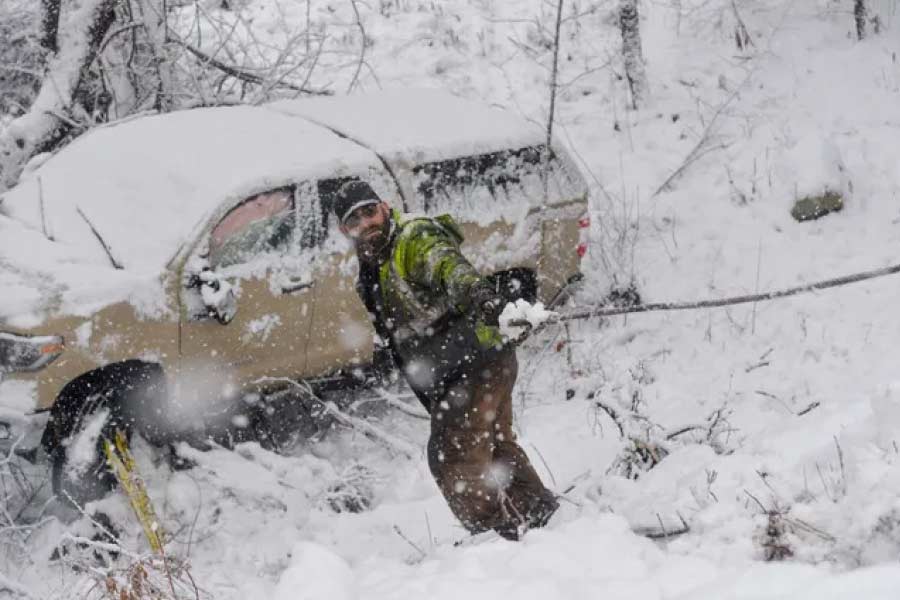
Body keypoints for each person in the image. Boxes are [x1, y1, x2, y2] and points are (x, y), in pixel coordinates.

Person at [332, 180, 559, 540]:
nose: (367, 223)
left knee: (452, 456)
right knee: (494, 444)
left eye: (370, 211)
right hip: (472, 363)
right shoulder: (372, 264)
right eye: (355, 220)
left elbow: (448, 267)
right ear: (345, 231)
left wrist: (482, 297)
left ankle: (494, 539)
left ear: (386, 208)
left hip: (474, 362)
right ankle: (540, 517)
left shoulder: (412, 238)